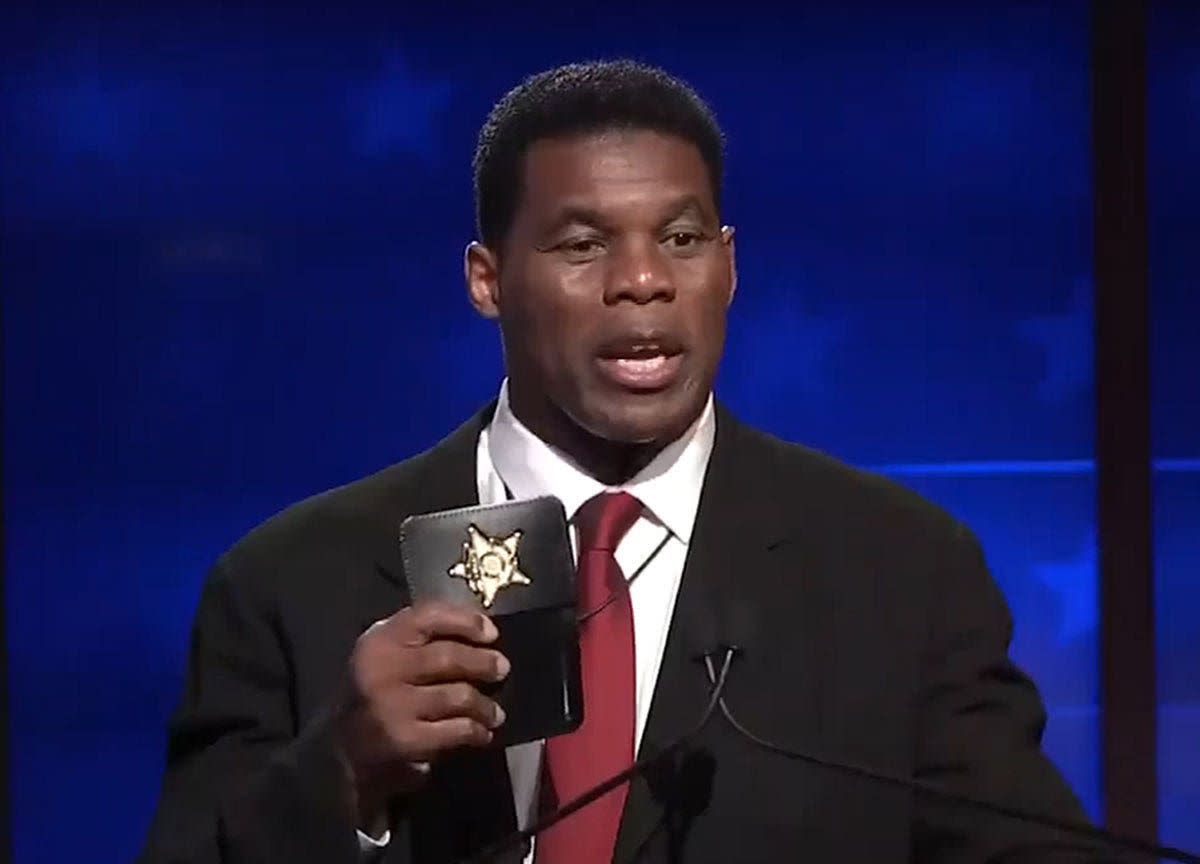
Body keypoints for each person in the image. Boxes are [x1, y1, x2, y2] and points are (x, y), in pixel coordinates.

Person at [141, 60, 1105, 864]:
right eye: (583, 243)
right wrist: (344, 771)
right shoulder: (287, 584)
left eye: (681, 239)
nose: (642, 281)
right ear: (487, 280)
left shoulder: (900, 571)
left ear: (727, 266)